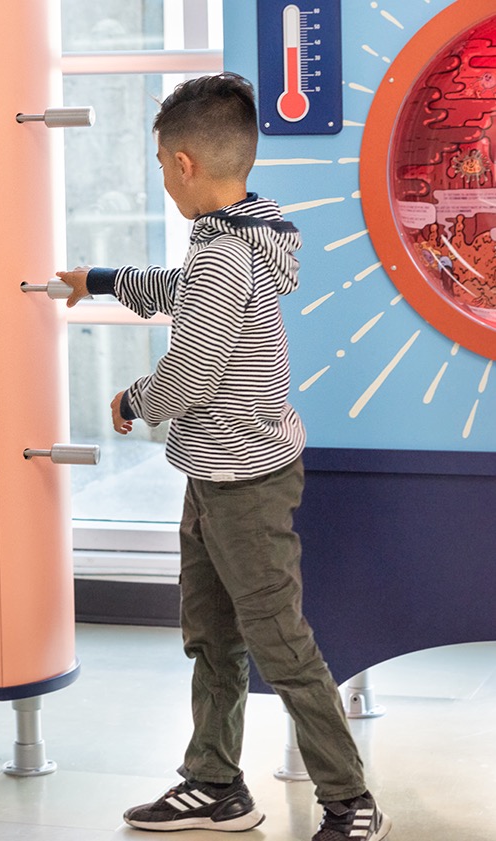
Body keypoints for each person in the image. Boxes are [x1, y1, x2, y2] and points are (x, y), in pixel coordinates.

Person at [58, 74, 390, 841]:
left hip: (245, 482)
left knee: (278, 639)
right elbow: (179, 289)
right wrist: (100, 281)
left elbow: (193, 369)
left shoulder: (222, 254)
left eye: (158, 163)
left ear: (182, 165)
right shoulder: (238, 237)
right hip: (216, 474)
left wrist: (135, 400)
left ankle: (349, 798)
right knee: (212, 633)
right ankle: (214, 781)